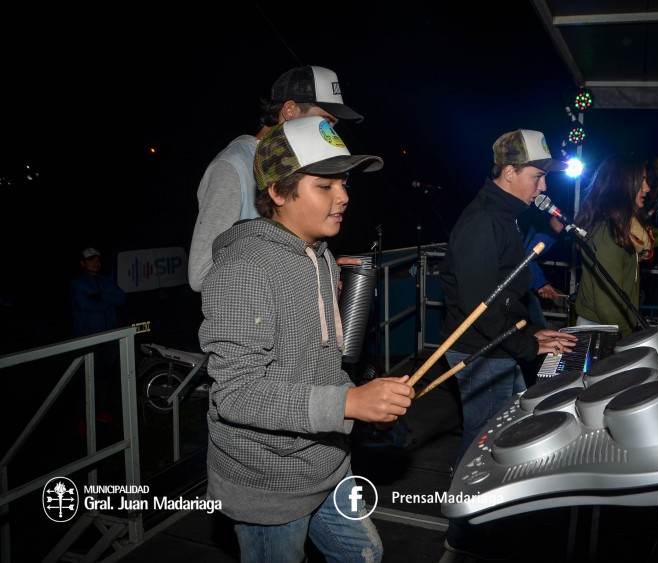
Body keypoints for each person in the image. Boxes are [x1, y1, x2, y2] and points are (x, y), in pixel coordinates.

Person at [198, 116, 415, 563]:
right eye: (325, 186)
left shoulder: (320, 257)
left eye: (345, 183)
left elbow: (319, 362)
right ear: (277, 192)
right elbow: (236, 395)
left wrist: (361, 404)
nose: (344, 197)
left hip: (328, 463)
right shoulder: (243, 269)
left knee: (365, 555)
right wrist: (347, 405)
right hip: (268, 483)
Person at [439, 128, 578, 560]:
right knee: (483, 444)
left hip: (499, 345)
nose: (544, 186)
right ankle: (462, 536)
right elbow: (481, 305)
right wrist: (529, 346)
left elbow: (502, 294)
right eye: (537, 176)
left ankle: (487, 520)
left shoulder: (505, 215)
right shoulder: (485, 221)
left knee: (503, 438)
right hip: (482, 352)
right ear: (510, 171)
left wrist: (531, 334)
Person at [188, 65, 365, 292]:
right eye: (325, 121)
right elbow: (201, 274)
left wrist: (320, 267)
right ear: (289, 110)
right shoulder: (232, 166)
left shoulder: (300, 165)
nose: (330, 133)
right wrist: (300, 273)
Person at [573, 152, 654, 338]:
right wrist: (629, 338)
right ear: (623, 183)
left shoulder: (619, 229)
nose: (647, 188)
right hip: (601, 331)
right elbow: (608, 303)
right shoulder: (607, 233)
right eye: (641, 180)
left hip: (607, 328)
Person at [69, 247, 127, 428]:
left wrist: (100, 296)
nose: (96, 262)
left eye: (98, 259)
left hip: (109, 336)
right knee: (87, 379)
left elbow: (121, 298)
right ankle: (82, 419)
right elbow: (85, 305)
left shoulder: (106, 281)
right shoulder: (77, 283)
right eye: (91, 259)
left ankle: (98, 410)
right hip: (88, 338)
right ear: (83, 263)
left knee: (104, 377)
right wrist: (107, 301)